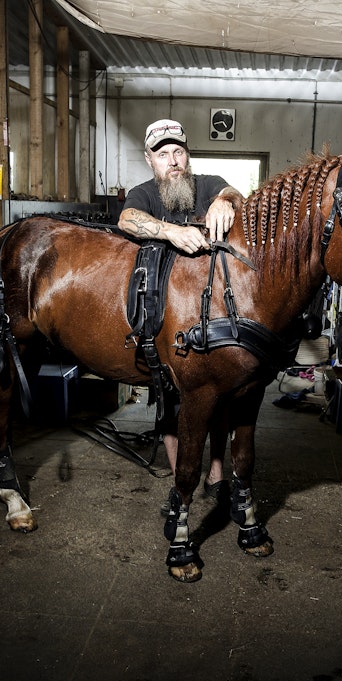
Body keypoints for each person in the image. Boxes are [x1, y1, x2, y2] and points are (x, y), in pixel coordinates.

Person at [118, 118, 245, 503]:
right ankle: (181, 482)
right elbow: (127, 220)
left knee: (220, 402)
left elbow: (235, 193)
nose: (172, 161)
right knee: (171, 407)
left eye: (178, 152)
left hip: (214, 317)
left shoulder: (206, 185)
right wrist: (171, 232)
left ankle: (217, 476)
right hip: (166, 321)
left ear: (187, 155)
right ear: (150, 160)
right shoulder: (144, 194)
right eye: (163, 154)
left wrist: (225, 200)